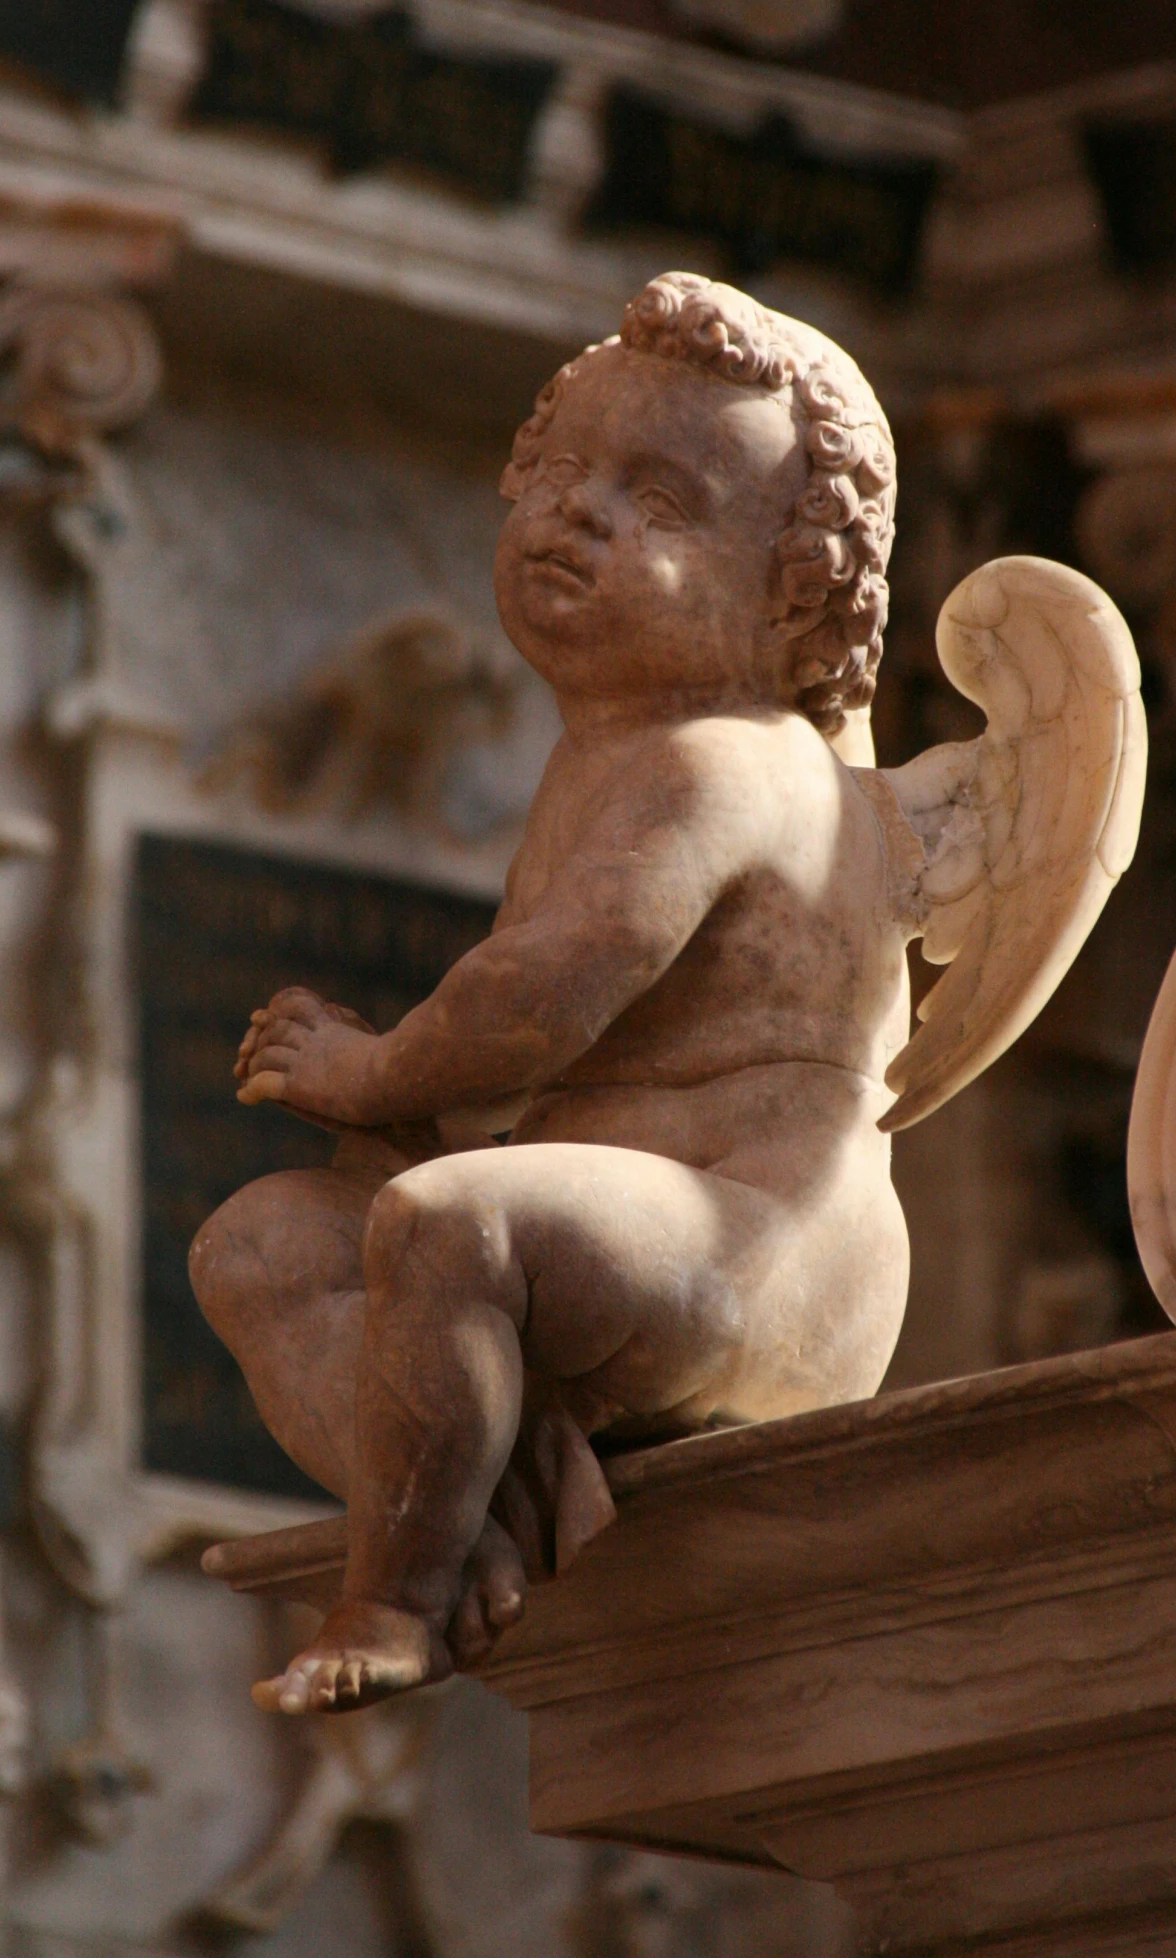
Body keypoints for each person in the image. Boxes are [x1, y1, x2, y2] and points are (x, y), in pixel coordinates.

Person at [190, 270, 916, 1713]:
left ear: (793, 593)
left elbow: (546, 993)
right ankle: (488, 1484)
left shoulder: (727, 759)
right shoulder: (611, 746)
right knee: (256, 1244)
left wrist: (370, 1072)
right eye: (565, 472)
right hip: (606, 1228)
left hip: (765, 1243)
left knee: (453, 1222)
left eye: (658, 499)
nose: (581, 512)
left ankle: (396, 1597)